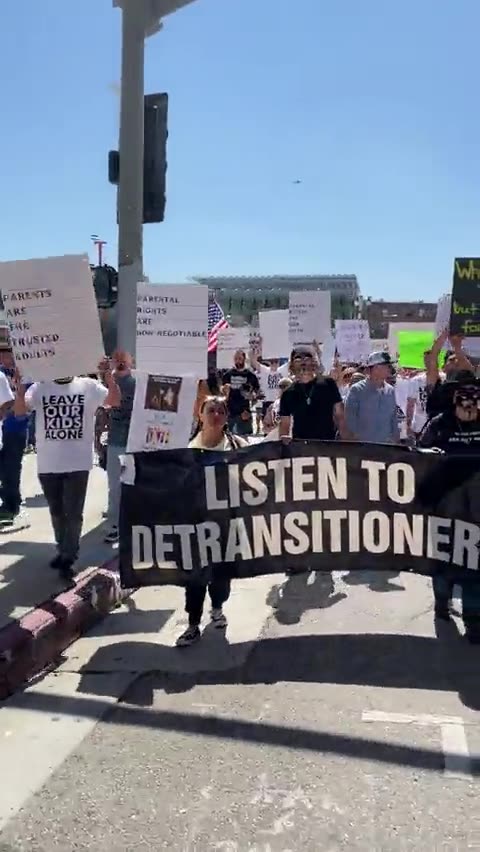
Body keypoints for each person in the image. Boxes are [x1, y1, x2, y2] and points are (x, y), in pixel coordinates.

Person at [16, 361, 121, 579]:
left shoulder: (89, 386)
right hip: (48, 464)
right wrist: (19, 384)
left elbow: (114, 401)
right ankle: (62, 548)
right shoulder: (40, 387)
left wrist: (108, 377)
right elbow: (19, 411)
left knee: (73, 513)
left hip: (78, 464)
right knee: (56, 512)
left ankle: (69, 555)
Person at [177, 395, 248, 646]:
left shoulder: (238, 446)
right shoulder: (186, 449)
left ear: (226, 417)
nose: (215, 415)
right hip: (195, 524)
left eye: (220, 411)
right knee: (195, 576)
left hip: (226, 523)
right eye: (210, 410)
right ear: (200, 415)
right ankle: (193, 624)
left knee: (222, 574)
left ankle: (217, 608)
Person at [418, 378, 480, 643]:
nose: (470, 408)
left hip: (477, 507)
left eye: (474, 403)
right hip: (445, 505)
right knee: (444, 561)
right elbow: (417, 455)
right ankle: (442, 603)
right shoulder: (439, 424)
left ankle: (474, 622)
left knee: (474, 565)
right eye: (464, 402)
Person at [279, 345, 348, 441]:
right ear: (292, 365)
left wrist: (347, 441)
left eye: (306, 359)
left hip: (326, 444)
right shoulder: (288, 393)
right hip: (301, 447)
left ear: (313, 362)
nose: (303, 363)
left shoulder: (328, 383)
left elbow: (340, 415)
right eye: (298, 359)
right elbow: (285, 424)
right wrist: (284, 441)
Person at [103, 351, 136, 544]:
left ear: (132, 361)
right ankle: (114, 525)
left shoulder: (138, 383)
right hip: (115, 440)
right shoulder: (105, 382)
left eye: (125, 358)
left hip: (135, 442)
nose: (121, 361)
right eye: (118, 359)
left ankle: (129, 523)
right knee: (114, 486)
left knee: (131, 485)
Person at [344, 351, 400, 443]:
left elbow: (393, 418)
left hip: (386, 448)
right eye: (388, 366)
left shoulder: (390, 390)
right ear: (376, 368)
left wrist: (396, 439)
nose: (390, 369)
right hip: (364, 448)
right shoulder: (357, 390)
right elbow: (350, 419)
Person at [0, 370, 29, 524]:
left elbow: (9, 402)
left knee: (10, 470)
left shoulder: (26, 370)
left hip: (15, 429)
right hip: (6, 429)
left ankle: (11, 506)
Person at [222, 350, 259, 436]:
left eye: (239, 358)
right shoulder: (228, 374)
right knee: (228, 437)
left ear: (244, 359)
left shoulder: (250, 375)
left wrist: (252, 399)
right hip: (230, 412)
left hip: (244, 412)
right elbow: (222, 392)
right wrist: (224, 390)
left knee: (244, 439)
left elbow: (257, 391)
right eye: (236, 359)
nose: (237, 361)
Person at [250, 344, 289, 423]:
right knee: (267, 427)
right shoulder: (265, 370)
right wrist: (259, 351)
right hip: (267, 402)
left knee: (279, 426)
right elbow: (253, 361)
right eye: (272, 361)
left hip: (280, 402)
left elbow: (292, 359)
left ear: (279, 362)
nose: (274, 363)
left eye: (276, 361)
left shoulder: (283, 369)